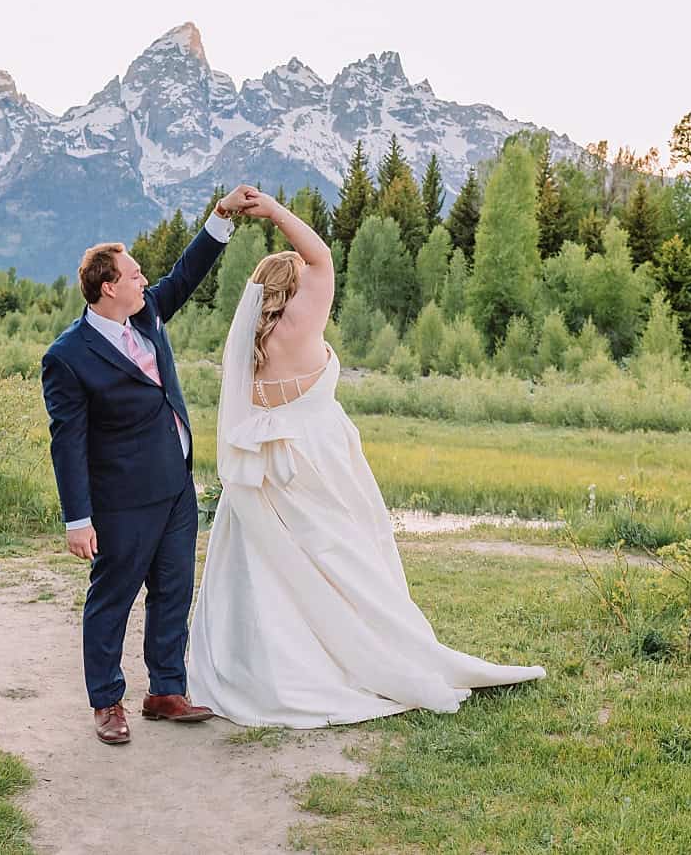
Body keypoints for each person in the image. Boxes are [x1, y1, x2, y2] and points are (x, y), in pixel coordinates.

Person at [188, 188, 545, 727]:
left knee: (270, 570)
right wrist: (277, 213)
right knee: (345, 560)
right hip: (320, 463)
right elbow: (323, 257)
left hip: (265, 472)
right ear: (297, 287)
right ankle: (370, 656)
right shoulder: (303, 324)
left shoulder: (253, 345)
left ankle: (267, 668)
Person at [41, 184, 256, 745]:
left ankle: (165, 689)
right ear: (108, 287)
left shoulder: (148, 313)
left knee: (173, 589)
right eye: (134, 274)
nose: (145, 280)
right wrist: (77, 519)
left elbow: (186, 273)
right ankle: (107, 702)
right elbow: (67, 442)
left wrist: (221, 217)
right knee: (111, 600)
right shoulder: (67, 357)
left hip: (176, 488)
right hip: (122, 500)